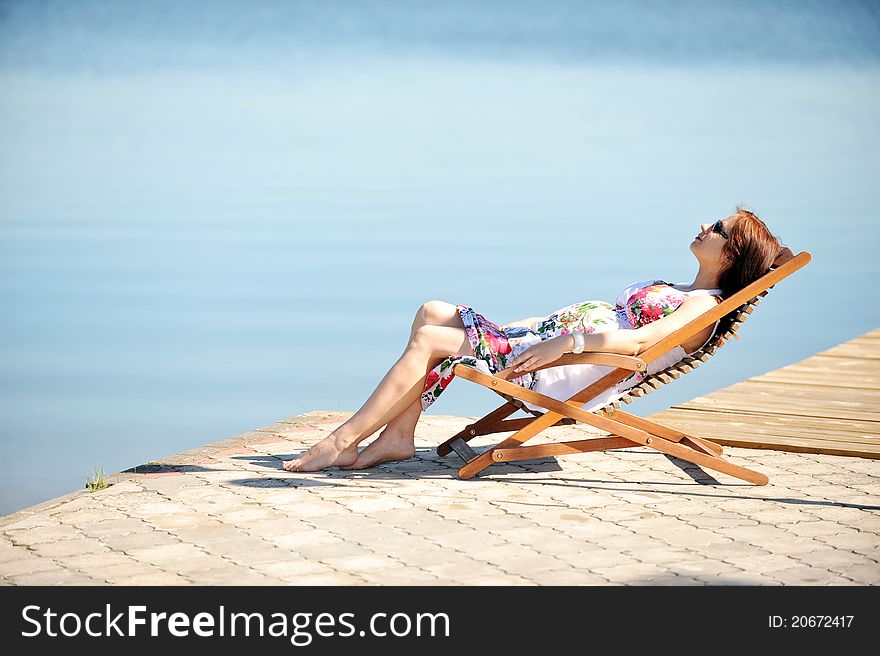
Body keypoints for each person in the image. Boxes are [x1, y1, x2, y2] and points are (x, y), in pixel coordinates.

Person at [283, 206, 785, 472]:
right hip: (541, 346)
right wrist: (533, 330)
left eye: (716, 226)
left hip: (564, 371)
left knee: (431, 339)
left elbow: (638, 345)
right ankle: (396, 438)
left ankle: (342, 442)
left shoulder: (702, 307)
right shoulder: (681, 288)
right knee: (434, 310)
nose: (704, 225)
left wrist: (563, 344)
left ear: (730, 252)